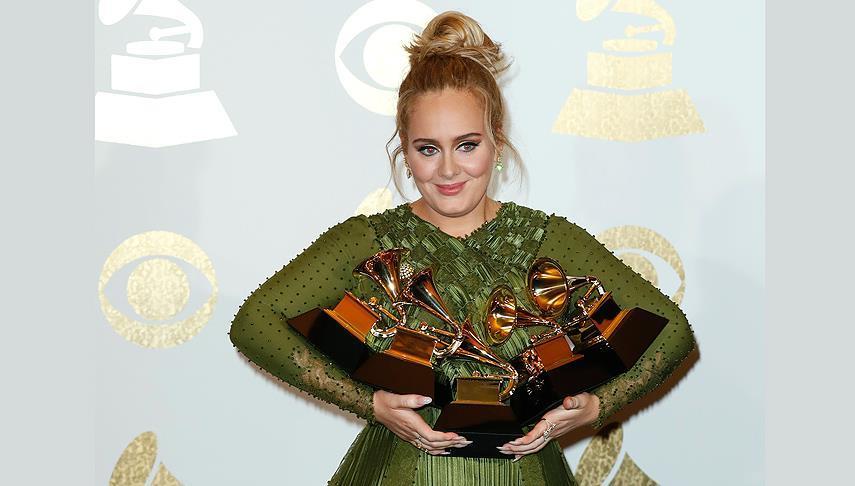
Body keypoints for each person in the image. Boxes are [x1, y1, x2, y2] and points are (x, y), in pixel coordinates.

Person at [229, 10, 696, 485]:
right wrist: (369, 403)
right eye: (428, 149)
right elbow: (254, 322)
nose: (449, 170)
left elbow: (672, 331)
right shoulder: (365, 240)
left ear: (497, 141)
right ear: (404, 152)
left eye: (467, 145)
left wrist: (597, 406)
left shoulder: (548, 239)